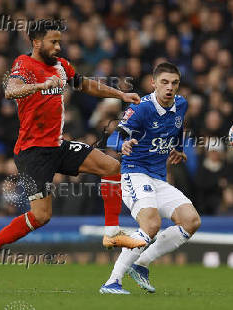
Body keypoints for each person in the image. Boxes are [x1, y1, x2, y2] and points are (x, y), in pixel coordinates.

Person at [0, 19, 144, 282]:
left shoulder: (61, 65)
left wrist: (120, 95)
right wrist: (39, 86)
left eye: (59, 41)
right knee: (41, 216)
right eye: (53, 41)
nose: (58, 46)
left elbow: (85, 84)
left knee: (111, 167)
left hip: (57, 144)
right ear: (36, 42)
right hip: (32, 152)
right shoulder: (24, 64)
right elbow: (10, 90)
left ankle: (111, 233)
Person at [99, 63, 201, 294]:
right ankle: (112, 281)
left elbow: (176, 128)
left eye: (174, 83)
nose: (170, 87)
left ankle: (141, 263)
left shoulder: (181, 104)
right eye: (164, 82)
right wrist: (122, 144)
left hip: (158, 177)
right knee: (151, 224)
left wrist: (179, 148)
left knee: (191, 220)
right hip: (134, 173)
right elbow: (114, 137)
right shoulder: (141, 108)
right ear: (153, 83)